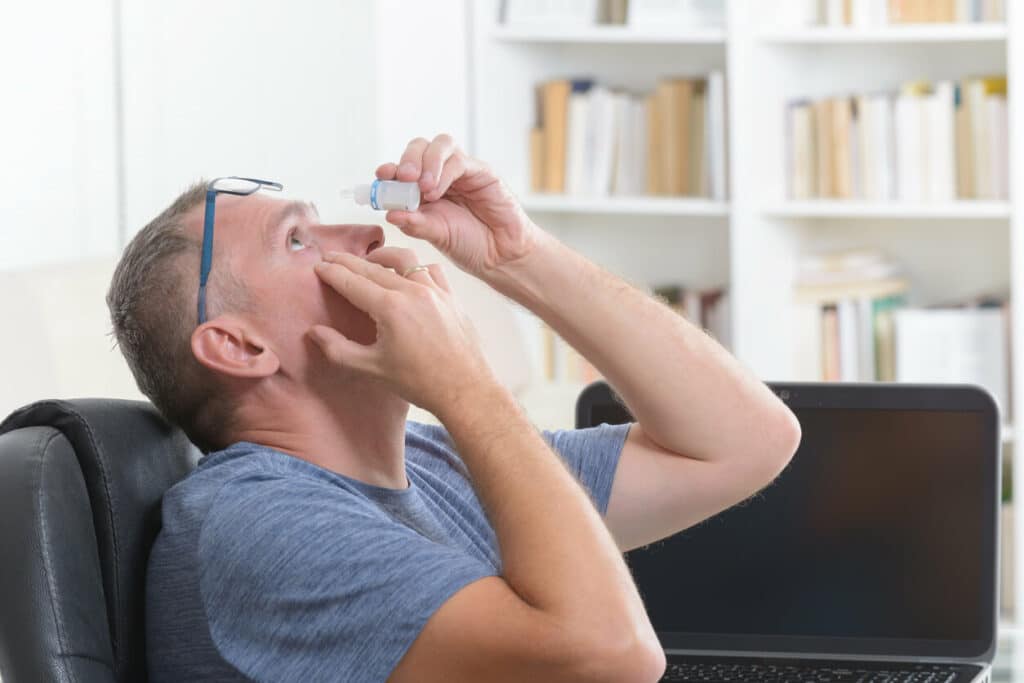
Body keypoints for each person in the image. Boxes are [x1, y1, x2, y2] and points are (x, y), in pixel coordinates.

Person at [107, 134, 801, 683]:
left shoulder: (435, 462)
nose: (369, 237)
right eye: (297, 240)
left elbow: (747, 440)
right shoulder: (257, 524)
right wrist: (465, 382)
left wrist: (516, 254)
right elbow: (614, 657)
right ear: (239, 345)